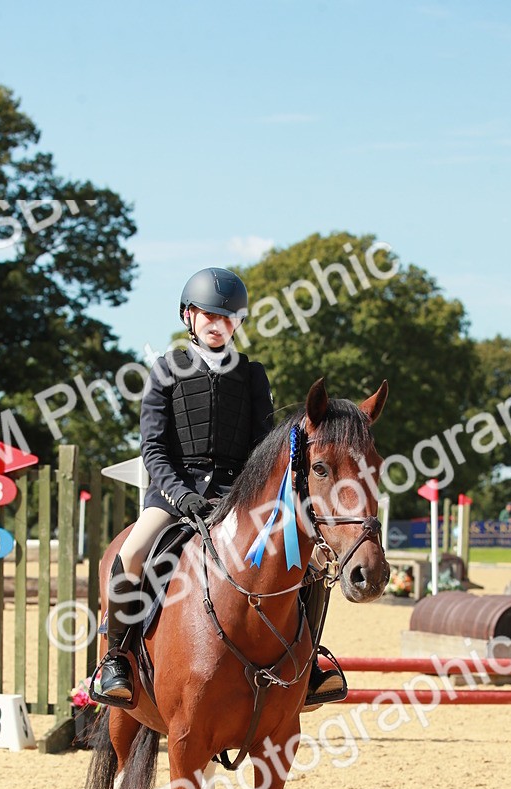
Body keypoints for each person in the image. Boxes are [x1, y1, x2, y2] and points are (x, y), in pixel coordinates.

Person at [95, 266, 343, 707]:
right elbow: (153, 449)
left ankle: (309, 664)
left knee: (307, 561)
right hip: (174, 492)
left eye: (228, 318)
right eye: (209, 315)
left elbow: (262, 449)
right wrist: (180, 494)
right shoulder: (164, 371)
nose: (218, 324)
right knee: (132, 553)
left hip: (238, 495)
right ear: (188, 317)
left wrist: (245, 496)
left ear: (239, 323)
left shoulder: (252, 375)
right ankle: (116, 658)